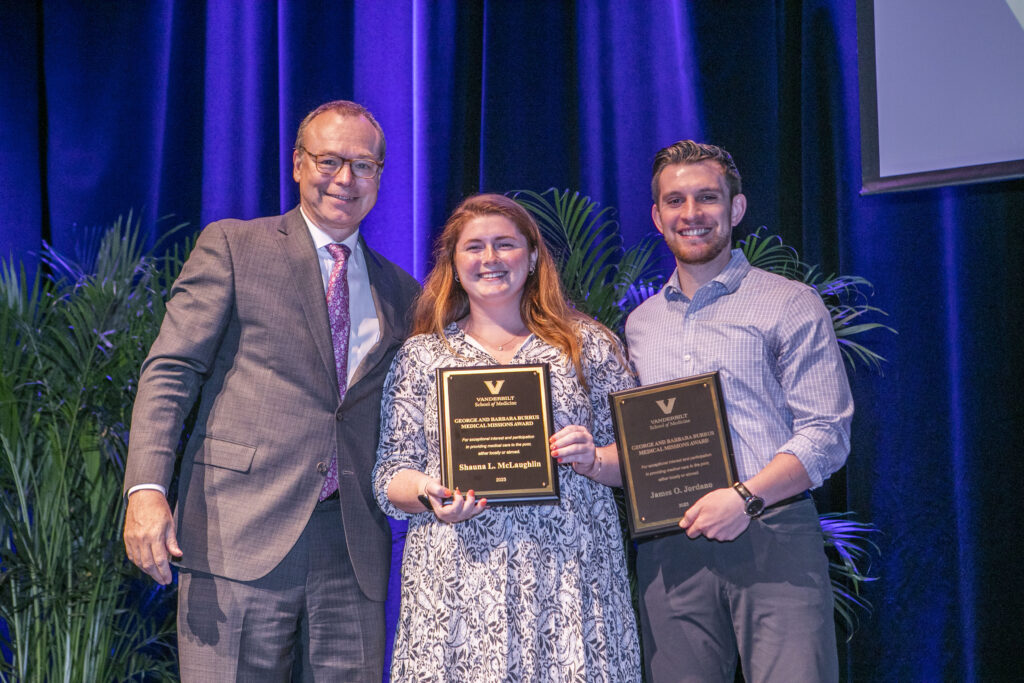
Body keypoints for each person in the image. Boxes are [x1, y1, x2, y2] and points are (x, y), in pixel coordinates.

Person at [122, 100, 420, 680]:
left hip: (351, 551)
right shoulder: (235, 246)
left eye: (364, 165)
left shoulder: (401, 291)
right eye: (329, 160)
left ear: (381, 176)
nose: (345, 179)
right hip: (238, 536)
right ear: (298, 165)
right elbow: (170, 370)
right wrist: (146, 488)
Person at [373, 193, 641, 681]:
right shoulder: (421, 355)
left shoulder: (587, 346)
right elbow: (391, 471)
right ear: (453, 264)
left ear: (534, 256)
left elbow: (640, 457)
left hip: (570, 578)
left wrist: (594, 458)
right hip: (455, 582)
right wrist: (428, 494)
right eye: (474, 247)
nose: (490, 259)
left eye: (505, 244)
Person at [624, 140, 854, 683]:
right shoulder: (640, 325)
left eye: (707, 197)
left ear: (736, 208)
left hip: (773, 532)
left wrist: (744, 497)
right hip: (670, 545)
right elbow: (637, 442)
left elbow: (826, 432)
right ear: (657, 217)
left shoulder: (789, 301)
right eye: (675, 201)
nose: (692, 214)